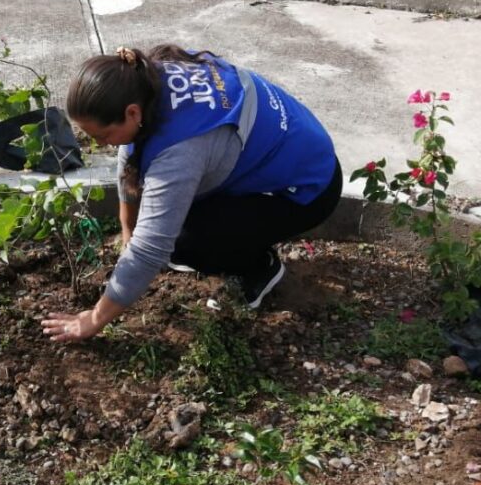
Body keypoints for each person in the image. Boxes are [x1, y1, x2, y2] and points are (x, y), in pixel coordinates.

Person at [41, 45, 342, 344]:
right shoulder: (146, 77)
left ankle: (258, 268)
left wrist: (93, 320)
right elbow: (129, 153)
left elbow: (151, 249)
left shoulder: (181, 149)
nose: (102, 144)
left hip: (309, 189)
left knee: (186, 242)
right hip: (296, 145)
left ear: (132, 113)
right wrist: (127, 229)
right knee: (173, 213)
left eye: (102, 136)